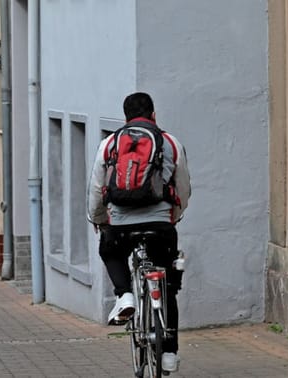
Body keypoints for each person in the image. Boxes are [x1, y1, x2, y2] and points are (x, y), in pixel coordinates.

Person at [87, 92, 191, 372]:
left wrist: (99, 220)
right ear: (153, 115)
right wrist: (173, 217)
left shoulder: (109, 144)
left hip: (120, 225)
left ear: (125, 118)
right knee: (167, 286)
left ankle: (125, 295)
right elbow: (183, 187)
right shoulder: (170, 143)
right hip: (161, 226)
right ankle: (169, 353)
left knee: (109, 250)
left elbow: (97, 189)